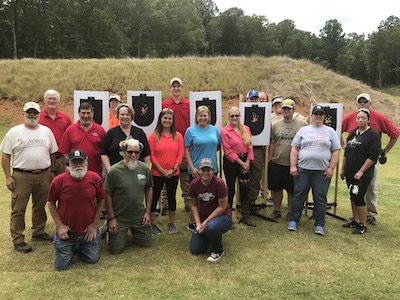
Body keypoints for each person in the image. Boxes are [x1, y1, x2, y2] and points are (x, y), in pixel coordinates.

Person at [1, 101, 58, 253]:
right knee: (19, 208)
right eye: (29, 112)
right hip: (21, 175)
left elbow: (52, 153)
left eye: (35, 112)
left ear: (39, 114)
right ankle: (18, 238)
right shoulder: (14, 132)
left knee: (40, 205)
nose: (32, 115)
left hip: (43, 174)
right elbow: (5, 156)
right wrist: (8, 177)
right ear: (24, 113)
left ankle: (38, 231)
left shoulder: (46, 131)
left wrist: (52, 171)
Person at [341, 93, 400, 225]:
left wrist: (384, 151)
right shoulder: (351, 118)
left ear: (370, 104)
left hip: (370, 160)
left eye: (365, 102)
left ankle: (370, 215)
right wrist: (344, 146)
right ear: (356, 104)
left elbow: (395, 133)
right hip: (353, 161)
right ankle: (356, 217)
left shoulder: (378, 118)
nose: (362, 104)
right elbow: (338, 129)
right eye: (360, 102)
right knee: (353, 190)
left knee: (370, 188)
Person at [47, 150, 105, 270]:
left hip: (87, 232)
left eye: (81, 162)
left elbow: (101, 200)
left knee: (92, 259)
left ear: (86, 163)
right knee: (61, 267)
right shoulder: (58, 181)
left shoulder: (95, 178)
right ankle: (70, 246)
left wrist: (94, 225)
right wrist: (60, 226)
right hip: (67, 233)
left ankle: (79, 246)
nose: (78, 166)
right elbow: (51, 203)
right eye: (75, 163)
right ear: (68, 164)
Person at [288, 105, 341, 235]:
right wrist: (293, 166)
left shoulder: (330, 131)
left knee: (320, 198)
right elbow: (295, 148)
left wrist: (331, 168)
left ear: (324, 116)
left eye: (320, 114)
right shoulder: (303, 130)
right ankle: (294, 220)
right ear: (311, 116)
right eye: (316, 114)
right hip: (303, 170)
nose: (318, 117)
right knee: (299, 196)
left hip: (322, 172)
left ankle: (319, 224)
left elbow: (336, 150)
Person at [104, 138, 153, 254]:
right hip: (120, 216)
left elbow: (149, 189)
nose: (133, 155)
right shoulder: (114, 171)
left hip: (138, 215)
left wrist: (147, 212)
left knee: (145, 242)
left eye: (136, 152)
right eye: (130, 152)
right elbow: (107, 194)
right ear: (124, 152)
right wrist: (111, 218)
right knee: (115, 250)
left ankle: (131, 231)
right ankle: (109, 227)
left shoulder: (145, 168)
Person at [340, 109, 381, 235]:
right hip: (350, 172)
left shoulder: (373, 134)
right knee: (352, 196)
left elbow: (373, 156)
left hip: (363, 174)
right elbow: (347, 152)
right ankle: (356, 220)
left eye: (363, 118)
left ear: (368, 120)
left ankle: (363, 224)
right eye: (358, 118)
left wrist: (361, 171)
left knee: (359, 197)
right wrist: (343, 169)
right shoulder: (353, 133)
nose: (360, 120)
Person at [269, 99, 308, 220]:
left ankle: (291, 211)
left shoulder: (302, 125)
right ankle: (277, 210)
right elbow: (272, 142)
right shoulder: (275, 124)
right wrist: (270, 158)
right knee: (276, 188)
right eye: (284, 108)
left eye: (288, 109)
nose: (286, 111)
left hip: (294, 163)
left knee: (292, 189)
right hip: (277, 161)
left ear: (293, 110)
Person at [148, 108, 184, 235]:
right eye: (165, 118)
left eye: (170, 118)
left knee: (171, 198)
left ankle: (171, 223)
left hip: (174, 173)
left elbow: (180, 154)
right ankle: (152, 224)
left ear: (173, 120)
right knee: (154, 198)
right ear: (160, 119)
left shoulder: (178, 136)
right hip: (157, 173)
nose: (167, 121)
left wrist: (173, 169)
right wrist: (162, 171)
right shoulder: (153, 136)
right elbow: (152, 156)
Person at [184, 105, 221, 230]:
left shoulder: (214, 130)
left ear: (209, 117)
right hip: (196, 170)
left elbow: (218, 146)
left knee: (211, 197)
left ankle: (210, 221)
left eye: (205, 115)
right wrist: (191, 167)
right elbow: (187, 150)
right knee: (195, 198)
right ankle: (193, 222)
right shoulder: (190, 131)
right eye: (200, 115)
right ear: (196, 117)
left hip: (212, 169)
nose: (203, 118)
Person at [189, 158, 232, 262]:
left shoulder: (219, 183)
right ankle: (209, 236)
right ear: (199, 170)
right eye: (203, 169)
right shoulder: (194, 184)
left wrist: (206, 222)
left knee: (211, 227)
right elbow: (193, 205)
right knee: (195, 249)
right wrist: (199, 224)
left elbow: (222, 207)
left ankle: (218, 250)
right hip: (204, 218)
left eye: (208, 170)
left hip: (223, 216)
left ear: (213, 171)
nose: (205, 172)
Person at [221, 106, 255, 226]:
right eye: (232, 116)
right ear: (228, 117)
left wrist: (248, 163)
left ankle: (246, 216)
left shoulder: (246, 129)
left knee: (244, 188)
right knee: (230, 189)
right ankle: (227, 218)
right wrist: (241, 163)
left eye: (237, 115)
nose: (234, 118)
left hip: (245, 162)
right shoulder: (225, 131)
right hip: (231, 163)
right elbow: (228, 151)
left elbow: (250, 146)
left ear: (240, 116)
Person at [162, 77, 191, 212]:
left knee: (185, 174)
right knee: (166, 173)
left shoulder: (189, 104)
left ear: (182, 88)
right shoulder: (164, 104)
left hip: (185, 144)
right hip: (168, 143)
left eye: (178, 86)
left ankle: (188, 201)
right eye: (173, 86)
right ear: (170, 88)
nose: (176, 89)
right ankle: (165, 203)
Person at [59, 102, 105, 177]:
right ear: (79, 114)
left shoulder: (100, 130)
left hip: (95, 173)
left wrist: (104, 172)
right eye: (83, 113)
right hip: (75, 173)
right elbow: (65, 153)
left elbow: (104, 153)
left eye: (88, 113)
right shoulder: (70, 130)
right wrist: (67, 171)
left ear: (93, 113)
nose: (86, 116)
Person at [101, 103, 150, 170]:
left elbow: (146, 153)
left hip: (136, 171)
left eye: (127, 115)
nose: (125, 117)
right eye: (122, 114)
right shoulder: (111, 133)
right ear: (118, 116)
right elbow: (104, 153)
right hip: (117, 172)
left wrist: (145, 169)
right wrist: (109, 169)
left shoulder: (139, 133)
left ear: (131, 117)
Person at [39, 89, 72, 175]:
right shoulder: (38, 117)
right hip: (43, 158)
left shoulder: (65, 118)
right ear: (44, 100)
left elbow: (70, 138)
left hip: (60, 158)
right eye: (49, 99)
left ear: (59, 101)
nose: (52, 101)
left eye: (54, 99)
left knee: (62, 184)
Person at [244, 90, 265, 212]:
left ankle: (252, 201)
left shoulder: (264, 112)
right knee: (243, 175)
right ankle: (243, 201)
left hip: (258, 149)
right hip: (244, 149)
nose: (254, 100)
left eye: (256, 98)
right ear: (247, 100)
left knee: (256, 176)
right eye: (251, 98)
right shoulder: (241, 113)